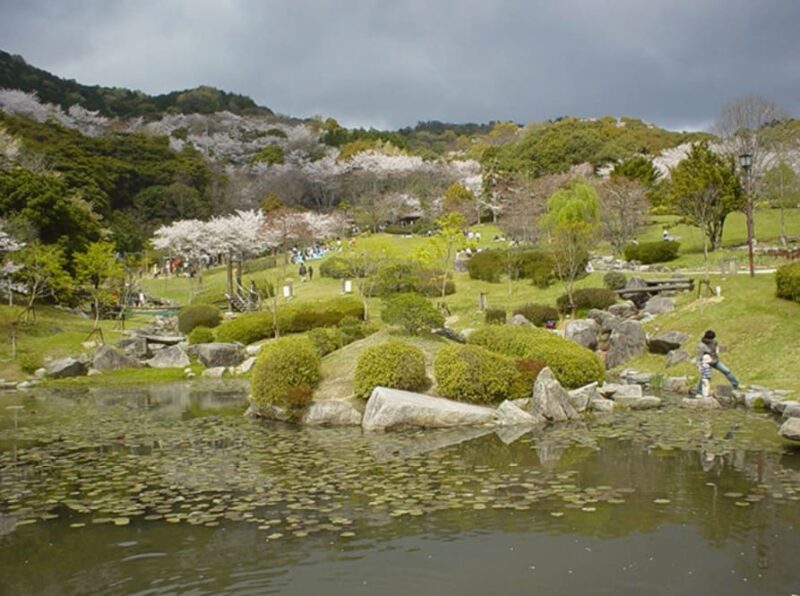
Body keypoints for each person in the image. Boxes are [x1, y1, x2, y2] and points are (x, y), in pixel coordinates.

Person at [694, 329, 740, 396]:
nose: (711, 341)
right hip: (706, 363)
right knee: (704, 377)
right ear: (706, 338)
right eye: (710, 339)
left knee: (726, 371)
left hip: (715, 361)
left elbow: (716, 347)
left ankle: (735, 384)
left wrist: (717, 352)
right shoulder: (701, 346)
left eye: (712, 339)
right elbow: (698, 358)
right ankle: (698, 391)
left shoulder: (714, 342)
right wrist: (699, 366)